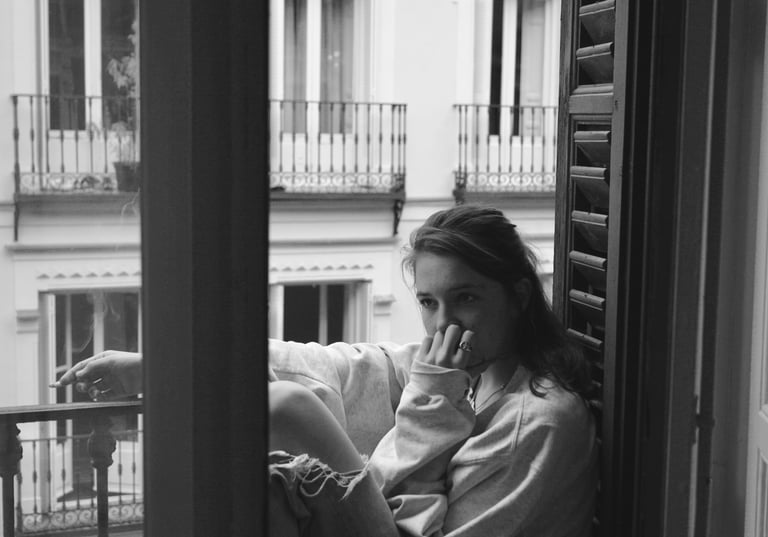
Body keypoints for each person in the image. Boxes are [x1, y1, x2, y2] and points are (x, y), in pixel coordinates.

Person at [54, 205, 598, 537]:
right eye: (429, 302)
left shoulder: (537, 422)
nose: (443, 324)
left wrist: (432, 405)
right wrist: (161, 369)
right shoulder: (461, 369)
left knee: (288, 409)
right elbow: (335, 367)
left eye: (467, 298)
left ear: (518, 295)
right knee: (274, 479)